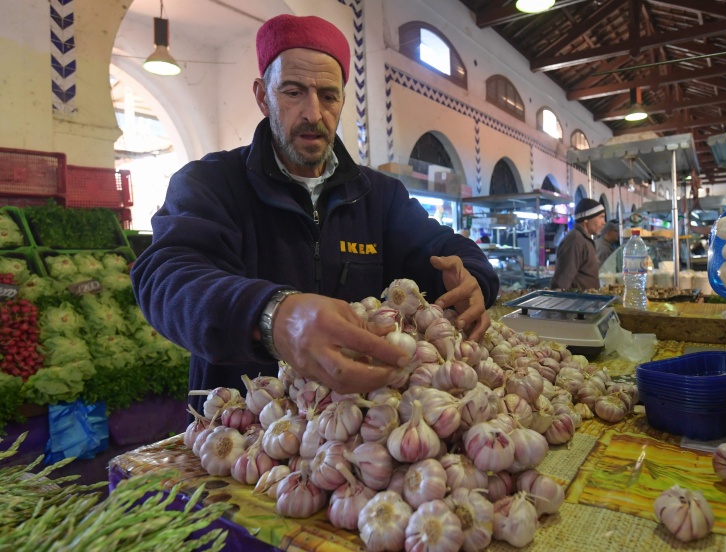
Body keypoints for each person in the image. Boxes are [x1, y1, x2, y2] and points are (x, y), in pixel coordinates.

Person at [130, 14, 500, 414]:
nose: (313, 112)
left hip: (356, 429)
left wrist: (473, 277)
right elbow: (165, 275)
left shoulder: (379, 195)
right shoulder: (210, 183)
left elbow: (444, 247)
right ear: (263, 96)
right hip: (246, 427)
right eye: (293, 92)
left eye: (328, 96)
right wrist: (271, 314)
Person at [550, 198, 606, 290]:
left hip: (588, 299)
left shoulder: (584, 239)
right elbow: (561, 284)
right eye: (601, 217)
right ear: (586, 219)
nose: (604, 222)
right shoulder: (575, 241)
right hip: (578, 299)